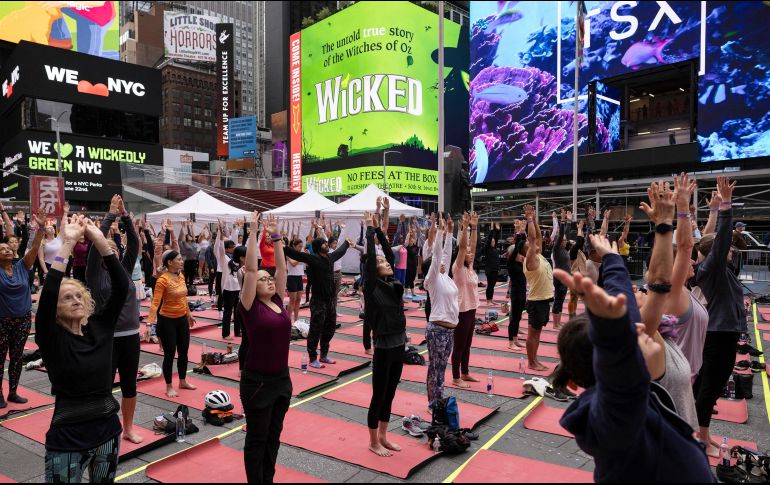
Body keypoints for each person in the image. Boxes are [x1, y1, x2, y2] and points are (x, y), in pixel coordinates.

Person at [551, 237, 714, 483]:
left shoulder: (629, 393)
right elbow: (618, 381)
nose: (640, 331)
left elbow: (626, 312)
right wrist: (613, 333)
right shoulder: (613, 417)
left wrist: (613, 260)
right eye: (626, 340)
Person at [36, 215, 130, 484]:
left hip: (108, 433)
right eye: (67, 298)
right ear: (55, 309)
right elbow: (51, 288)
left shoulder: (100, 327)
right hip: (67, 439)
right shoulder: (51, 337)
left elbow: (122, 287)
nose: (76, 300)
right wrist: (67, 243)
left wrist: (100, 241)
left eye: (79, 295)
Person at [693, 175, 746, 457]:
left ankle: (697, 431)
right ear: (716, 252)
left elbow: (726, 241)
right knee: (710, 386)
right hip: (718, 334)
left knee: (705, 384)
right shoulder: (710, 270)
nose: (732, 251)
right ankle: (702, 437)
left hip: (723, 332)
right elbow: (721, 239)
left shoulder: (723, 271)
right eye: (727, 249)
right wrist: (725, 206)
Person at [238, 212, 291, 483]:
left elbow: (281, 270)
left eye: (268, 278)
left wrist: (276, 236)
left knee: (273, 438)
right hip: (257, 383)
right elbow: (249, 270)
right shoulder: (249, 307)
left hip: (282, 380)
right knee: (257, 439)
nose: (269, 280)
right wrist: (253, 232)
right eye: (263, 279)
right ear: (251, 287)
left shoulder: (279, 302)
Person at [87, 195, 144, 444]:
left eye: (114, 247)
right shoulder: (95, 275)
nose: (112, 249)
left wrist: (125, 216)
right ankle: (101, 427)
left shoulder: (124, 270)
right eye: (105, 247)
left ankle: (128, 428)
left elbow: (133, 244)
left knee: (130, 385)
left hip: (131, 336)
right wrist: (108, 215)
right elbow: (93, 247)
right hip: (107, 338)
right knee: (104, 387)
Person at [363, 210, 407, 457]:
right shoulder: (372, 287)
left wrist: (380, 228)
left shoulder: (394, 286)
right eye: (382, 264)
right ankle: (373, 441)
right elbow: (372, 258)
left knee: (390, 393)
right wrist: (370, 230)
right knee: (378, 395)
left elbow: (389, 253)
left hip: (399, 344)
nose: (386, 262)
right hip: (383, 346)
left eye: (386, 262)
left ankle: (383, 436)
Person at [283, 223, 351, 368]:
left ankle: (324, 355)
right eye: (325, 244)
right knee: (316, 329)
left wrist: (346, 243)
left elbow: (340, 252)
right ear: (319, 247)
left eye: (327, 243)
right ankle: (313, 357)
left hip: (330, 301)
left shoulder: (330, 258)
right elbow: (296, 254)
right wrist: (281, 244)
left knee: (330, 328)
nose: (327, 245)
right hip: (318, 301)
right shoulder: (313, 259)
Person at [0, 208, 45, 408]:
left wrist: (41, 228)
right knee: (0, 359)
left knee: (17, 358)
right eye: (3, 249)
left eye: (9, 248)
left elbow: (34, 248)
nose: (8, 250)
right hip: (2, 321)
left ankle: (13, 392)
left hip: (23, 319)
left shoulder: (21, 266)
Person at [147, 249, 197, 398]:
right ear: (170, 262)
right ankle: (169, 386)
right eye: (179, 259)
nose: (182, 261)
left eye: (181, 259)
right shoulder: (162, 280)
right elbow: (155, 303)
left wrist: (188, 313)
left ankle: (182, 380)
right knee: (169, 354)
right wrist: (149, 324)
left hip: (181, 319)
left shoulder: (180, 275)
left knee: (184, 352)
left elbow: (183, 298)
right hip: (167, 320)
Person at [424, 213, 458, 408]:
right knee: (435, 369)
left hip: (449, 330)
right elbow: (437, 255)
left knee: (442, 368)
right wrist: (438, 232)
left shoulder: (446, 278)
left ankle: (439, 399)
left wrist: (450, 231)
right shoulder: (433, 280)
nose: (444, 262)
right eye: (439, 265)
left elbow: (446, 253)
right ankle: (433, 403)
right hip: (437, 330)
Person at [523, 204, 554, 372]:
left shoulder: (539, 255)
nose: (536, 243)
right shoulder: (531, 259)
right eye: (531, 243)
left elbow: (538, 237)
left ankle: (535, 358)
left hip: (544, 300)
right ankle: (531, 361)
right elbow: (533, 238)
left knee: (538, 333)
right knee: (533, 333)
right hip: (536, 302)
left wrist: (534, 219)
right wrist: (528, 220)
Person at [451, 212, 480, 388]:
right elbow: (463, 248)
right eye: (466, 252)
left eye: (470, 252)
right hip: (461, 311)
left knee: (468, 343)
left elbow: (473, 246)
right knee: (459, 345)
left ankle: (465, 372)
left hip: (472, 309)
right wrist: (464, 228)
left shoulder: (470, 268)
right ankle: (456, 377)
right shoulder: (458, 267)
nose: (470, 252)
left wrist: (474, 227)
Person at [215, 220, 243, 340]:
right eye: (231, 247)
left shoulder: (235, 258)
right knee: (228, 311)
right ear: (227, 248)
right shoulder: (223, 258)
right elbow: (219, 247)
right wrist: (220, 234)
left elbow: (236, 242)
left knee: (238, 311)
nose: (233, 249)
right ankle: (225, 333)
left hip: (237, 287)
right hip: (228, 287)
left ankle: (237, 331)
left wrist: (237, 228)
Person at [507, 220, 527, 349]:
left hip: (522, 292)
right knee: (514, 318)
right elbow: (518, 247)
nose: (521, 256)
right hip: (515, 293)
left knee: (519, 316)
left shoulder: (521, 263)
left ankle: (515, 339)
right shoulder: (511, 264)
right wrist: (519, 232)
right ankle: (510, 343)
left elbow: (524, 246)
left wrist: (523, 231)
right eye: (518, 254)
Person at [551, 210, 571, 330]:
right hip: (559, 278)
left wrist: (569, 222)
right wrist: (562, 221)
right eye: (563, 240)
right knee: (558, 300)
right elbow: (561, 233)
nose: (565, 241)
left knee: (561, 299)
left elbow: (565, 233)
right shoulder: (557, 249)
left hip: (565, 278)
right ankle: (555, 324)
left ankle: (558, 323)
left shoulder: (563, 248)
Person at [286, 239, 306, 324]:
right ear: (294, 246)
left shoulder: (301, 254)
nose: (301, 248)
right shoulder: (289, 254)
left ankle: (296, 319)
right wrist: (301, 256)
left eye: (302, 246)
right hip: (291, 277)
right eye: (299, 246)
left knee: (298, 299)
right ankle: (288, 319)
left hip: (299, 277)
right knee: (292, 300)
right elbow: (293, 263)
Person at [483, 223, 501, 305]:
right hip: (489, 269)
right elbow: (490, 238)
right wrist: (492, 230)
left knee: (493, 285)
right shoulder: (487, 249)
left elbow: (496, 238)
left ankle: (491, 299)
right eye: (492, 241)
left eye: (494, 241)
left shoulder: (495, 248)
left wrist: (497, 230)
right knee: (490, 285)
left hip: (495, 268)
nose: (494, 242)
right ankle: (488, 300)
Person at [178, 221, 199, 288]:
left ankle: (191, 287)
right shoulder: (185, 243)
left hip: (194, 260)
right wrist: (183, 227)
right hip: (188, 261)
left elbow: (193, 234)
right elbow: (183, 235)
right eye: (188, 236)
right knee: (186, 274)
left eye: (190, 236)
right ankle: (184, 286)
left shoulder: (193, 242)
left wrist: (191, 226)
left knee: (192, 274)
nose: (190, 237)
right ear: (187, 238)